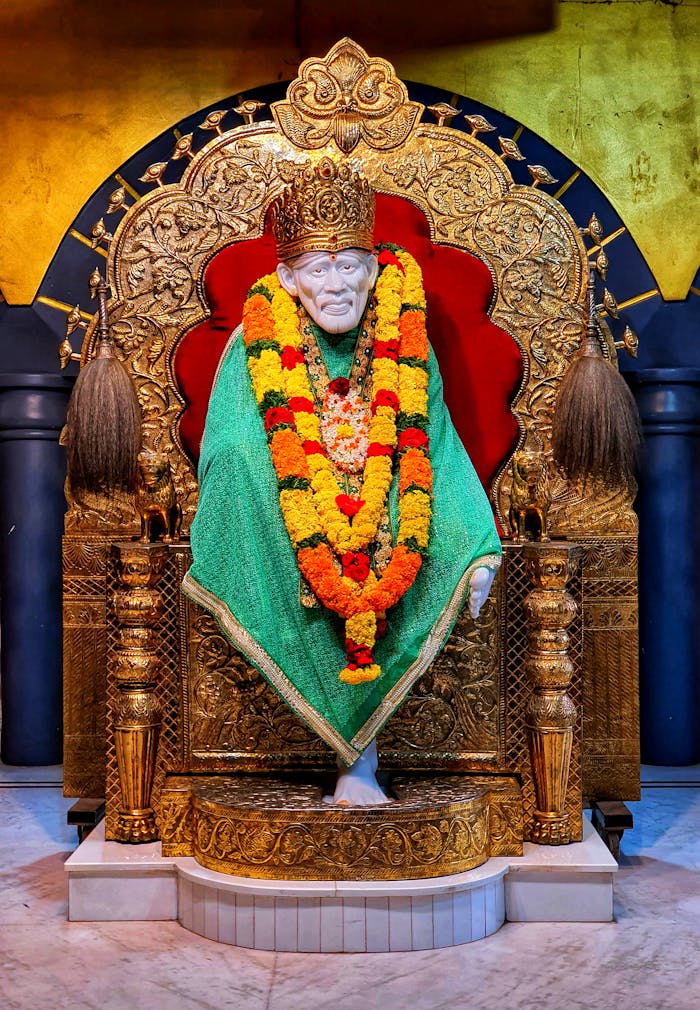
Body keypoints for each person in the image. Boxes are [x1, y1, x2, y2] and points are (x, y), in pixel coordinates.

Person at [182, 157, 501, 805]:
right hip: (287, 531)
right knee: (268, 493)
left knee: (403, 537)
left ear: (375, 269)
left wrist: (478, 545)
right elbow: (235, 449)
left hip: (387, 525)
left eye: (349, 266)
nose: (336, 285)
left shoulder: (405, 344)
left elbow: (434, 443)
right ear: (286, 277)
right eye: (319, 269)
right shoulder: (255, 341)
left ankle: (364, 763)